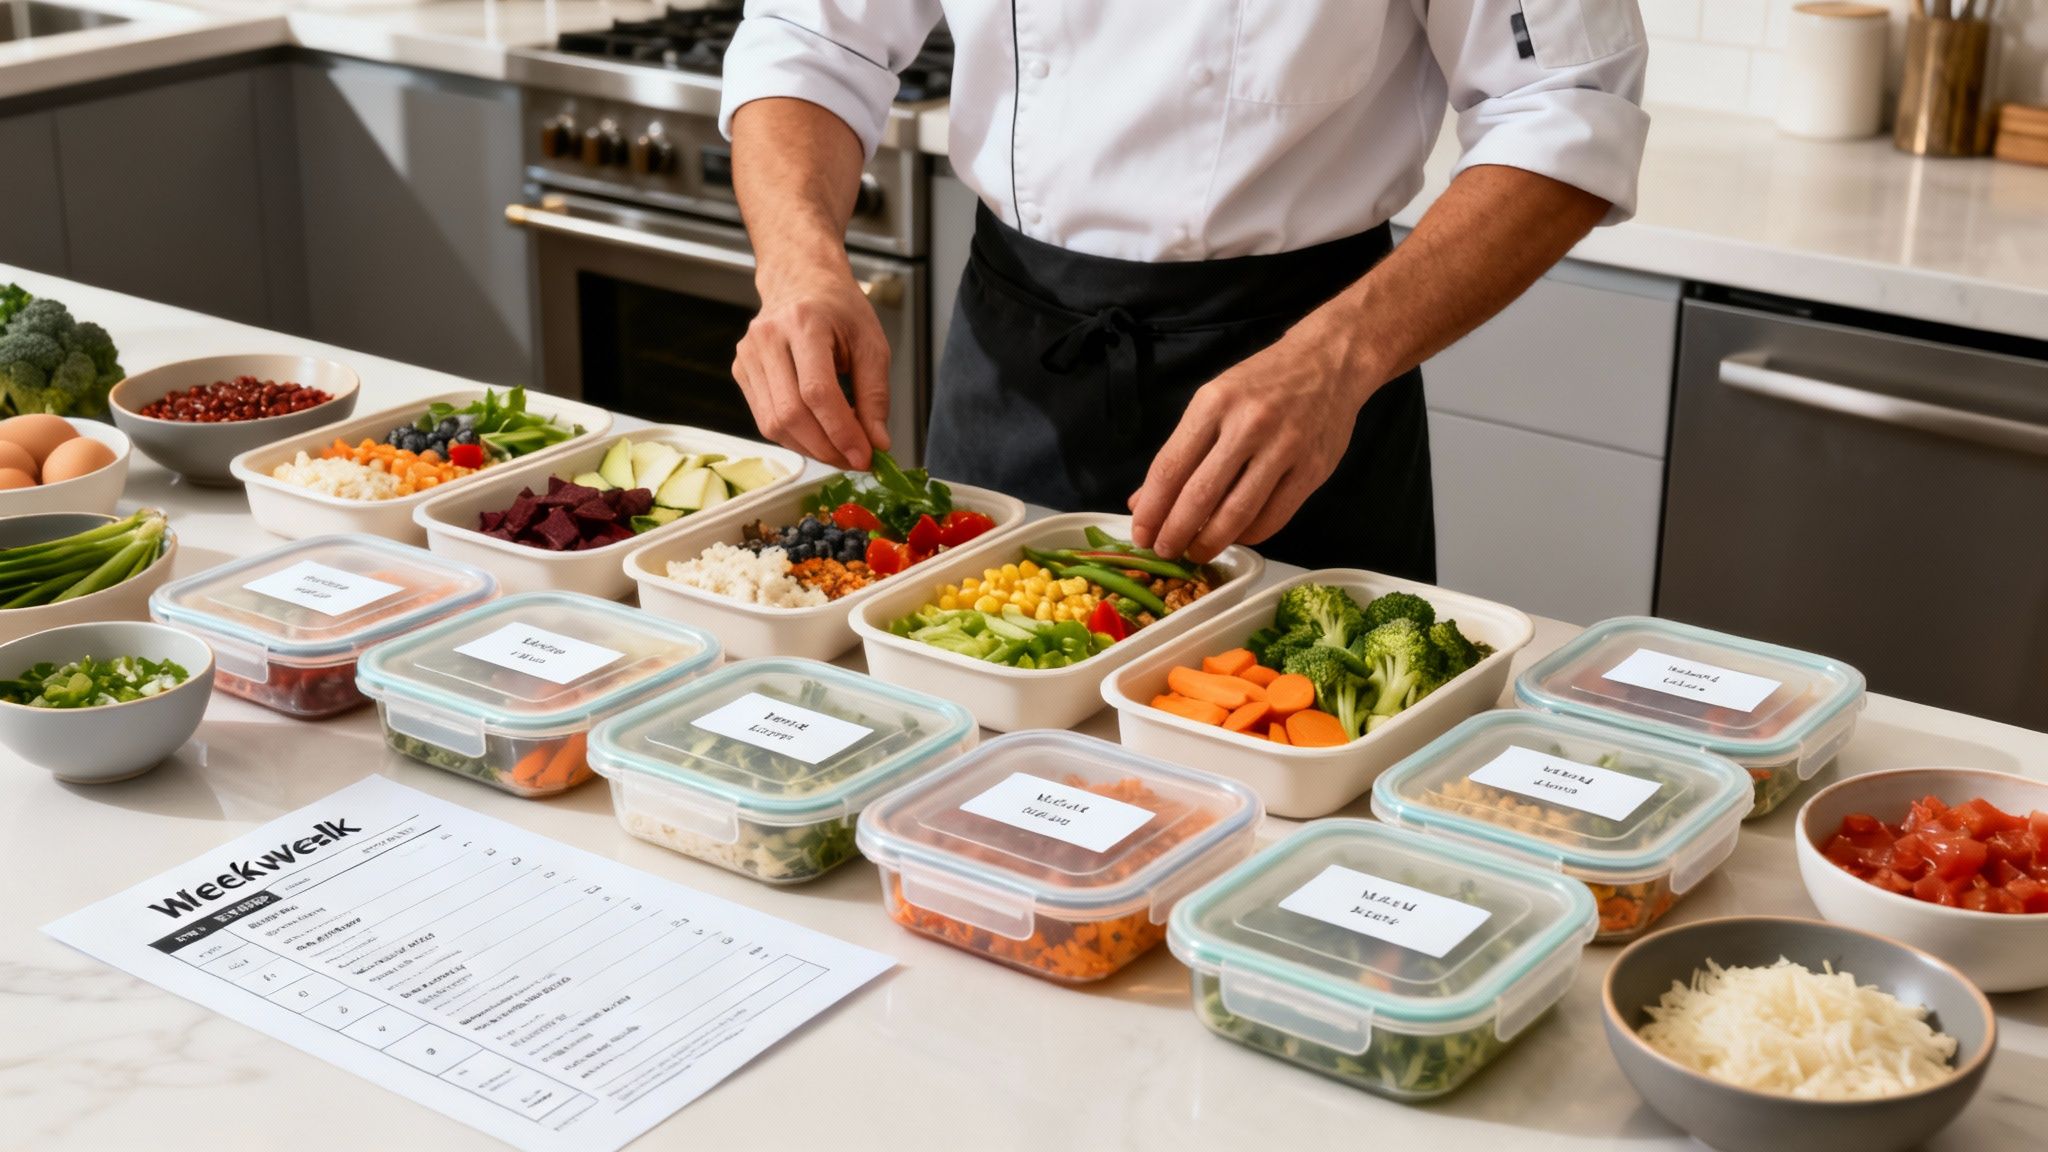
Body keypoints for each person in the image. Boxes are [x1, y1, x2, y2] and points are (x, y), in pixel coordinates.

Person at [719, 2, 1648, 576]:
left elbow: (1566, 107)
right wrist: (797, 258)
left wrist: (1337, 359)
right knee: (985, 774)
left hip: (1301, 377)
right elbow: (809, 38)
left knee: (1292, 801)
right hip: (1013, 362)